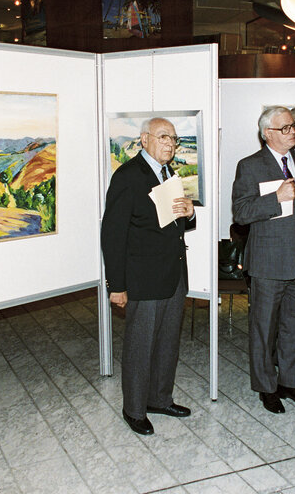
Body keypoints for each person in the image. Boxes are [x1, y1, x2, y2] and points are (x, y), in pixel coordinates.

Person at [101, 117, 195, 436]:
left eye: (173, 138)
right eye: (163, 137)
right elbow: (112, 235)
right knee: (140, 346)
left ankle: (159, 398)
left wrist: (189, 214)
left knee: (168, 342)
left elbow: (171, 225)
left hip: (173, 274)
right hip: (143, 277)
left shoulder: (168, 173)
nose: (169, 143)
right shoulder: (128, 176)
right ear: (144, 139)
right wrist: (117, 286)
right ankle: (135, 409)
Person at [231, 105, 295, 414]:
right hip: (270, 264)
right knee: (264, 329)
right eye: (286, 128)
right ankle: (266, 387)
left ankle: (290, 383)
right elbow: (241, 213)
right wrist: (275, 199)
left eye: (293, 127)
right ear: (267, 133)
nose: (293, 133)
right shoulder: (250, 166)